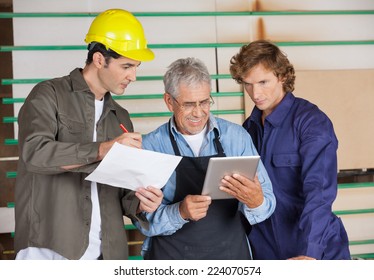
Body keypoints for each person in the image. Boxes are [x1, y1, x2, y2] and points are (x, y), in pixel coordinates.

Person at [14, 9, 163, 260]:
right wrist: (103, 149)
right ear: (98, 59)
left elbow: (121, 190)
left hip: (106, 253)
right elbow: (35, 153)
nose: (133, 76)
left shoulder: (121, 117)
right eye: (126, 66)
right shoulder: (48, 95)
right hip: (49, 248)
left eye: (136, 67)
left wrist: (140, 201)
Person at [133, 57, 276, 260]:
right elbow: (144, 222)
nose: (199, 113)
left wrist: (256, 201)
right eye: (189, 104)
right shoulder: (151, 146)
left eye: (204, 102)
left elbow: (267, 203)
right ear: (169, 101)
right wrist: (180, 212)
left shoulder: (236, 137)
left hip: (229, 257)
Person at [229, 39, 351, 260]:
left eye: (263, 82)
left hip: (312, 247)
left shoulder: (311, 122)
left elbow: (319, 191)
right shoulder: (248, 129)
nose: (255, 93)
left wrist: (310, 252)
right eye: (247, 83)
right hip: (265, 249)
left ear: (282, 76)